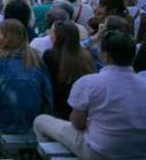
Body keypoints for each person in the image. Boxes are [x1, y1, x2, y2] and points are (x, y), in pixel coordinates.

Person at [35, 29, 146, 159]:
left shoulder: (90, 83)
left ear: (105, 55)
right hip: (139, 152)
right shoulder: (143, 82)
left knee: (40, 120)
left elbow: (77, 123)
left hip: (99, 152)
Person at [42, 20, 96, 120]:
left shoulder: (50, 55)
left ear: (59, 36)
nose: (49, 33)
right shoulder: (85, 54)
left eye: (52, 31)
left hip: (59, 108)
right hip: (82, 106)